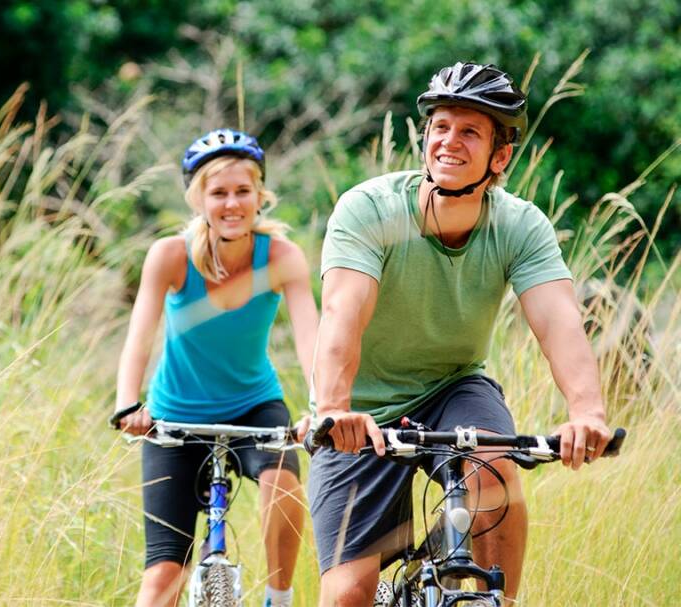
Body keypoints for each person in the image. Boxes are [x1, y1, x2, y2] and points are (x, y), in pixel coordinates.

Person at [307, 62, 613, 606]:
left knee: (495, 465)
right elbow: (342, 313)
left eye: (470, 131)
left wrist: (587, 413)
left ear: (500, 157)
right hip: (360, 409)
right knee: (347, 594)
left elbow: (559, 321)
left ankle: (497, 601)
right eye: (441, 127)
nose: (449, 141)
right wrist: (334, 406)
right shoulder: (370, 209)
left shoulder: (519, 225)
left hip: (454, 388)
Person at [112, 128, 319, 607]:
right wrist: (128, 403)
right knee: (163, 577)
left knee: (283, 485)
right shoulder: (170, 256)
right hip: (175, 417)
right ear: (198, 199)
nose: (232, 203)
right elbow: (138, 337)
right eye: (218, 192)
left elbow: (312, 337)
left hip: (253, 407)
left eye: (243, 191)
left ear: (260, 195)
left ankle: (279, 598)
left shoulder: (282, 257)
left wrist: (321, 407)